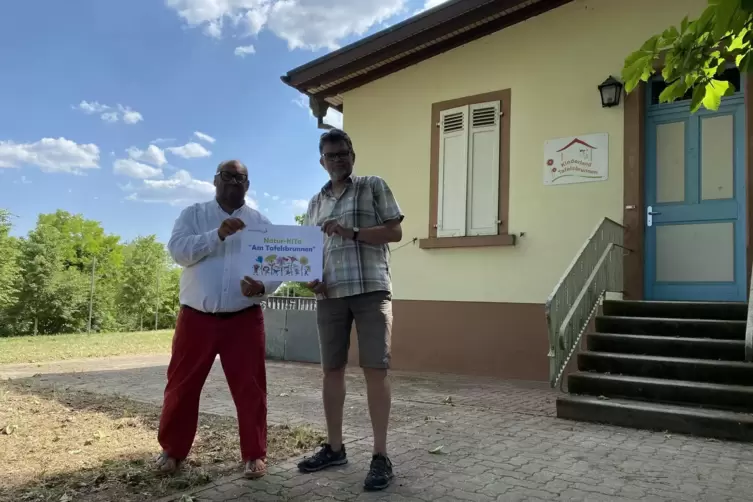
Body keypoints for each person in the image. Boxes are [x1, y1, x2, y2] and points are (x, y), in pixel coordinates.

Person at [155, 160, 281, 479]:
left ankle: (254, 454)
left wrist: (262, 286)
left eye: (241, 178)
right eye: (227, 176)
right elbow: (179, 252)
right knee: (182, 386)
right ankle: (173, 450)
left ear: (248, 186)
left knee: (251, 388)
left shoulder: (261, 223)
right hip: (196, 317)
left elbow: (277, 266)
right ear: (215, 180)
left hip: (244, 319)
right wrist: (217, 235)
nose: (234, 182)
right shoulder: (193, 216)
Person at [297, 129, 404, 491]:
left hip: (371, 290)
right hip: (330, 296)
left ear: (352, 155)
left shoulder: (373, 186)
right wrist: (310, 278)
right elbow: (310, 251)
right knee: (332, 371)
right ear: (322, 161)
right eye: (331, 155)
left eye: (344, 153)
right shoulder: (315, 202)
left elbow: (395, 232)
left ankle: (380, 456)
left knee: (376, 369)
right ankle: (335, 447)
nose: (338, 159)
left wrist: (352, 231)